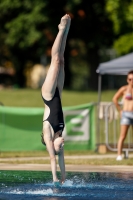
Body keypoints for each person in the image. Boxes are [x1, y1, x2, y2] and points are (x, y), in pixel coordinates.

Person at [41, 14, 71, 185]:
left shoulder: (49, 133)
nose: (63, 144)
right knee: (62, 61)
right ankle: (66, 31)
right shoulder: (60, 132)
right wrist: (64, 178)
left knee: (55, 60)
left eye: (60, 146)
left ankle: (60, 30)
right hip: (58, 93)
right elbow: (62, 161)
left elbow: (54, 160)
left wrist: (54, 179)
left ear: (53, 144)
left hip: (48, 95)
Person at [112, 70, 133, 161]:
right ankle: (119, 155)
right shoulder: (124, 89)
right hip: (126, 114)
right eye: (130, 79)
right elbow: (115, 99)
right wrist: (120, 110)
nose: (131, 81)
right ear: (127, 79)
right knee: (122, 136)